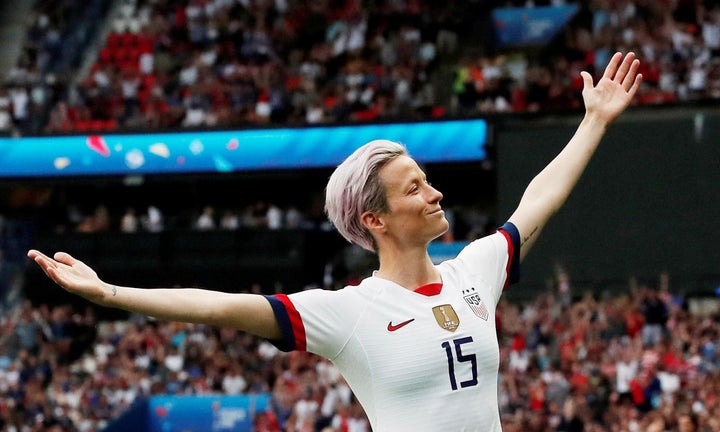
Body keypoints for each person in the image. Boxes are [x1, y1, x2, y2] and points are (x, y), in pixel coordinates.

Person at [27, 52, 642, 431]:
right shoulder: (348, 314)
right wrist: (110, 293)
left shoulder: (473, 271)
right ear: (374, 220)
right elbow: (219, 305)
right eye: (414, 189)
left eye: (429, 183)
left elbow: (538, 200)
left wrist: (593, 122)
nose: (435, 196)